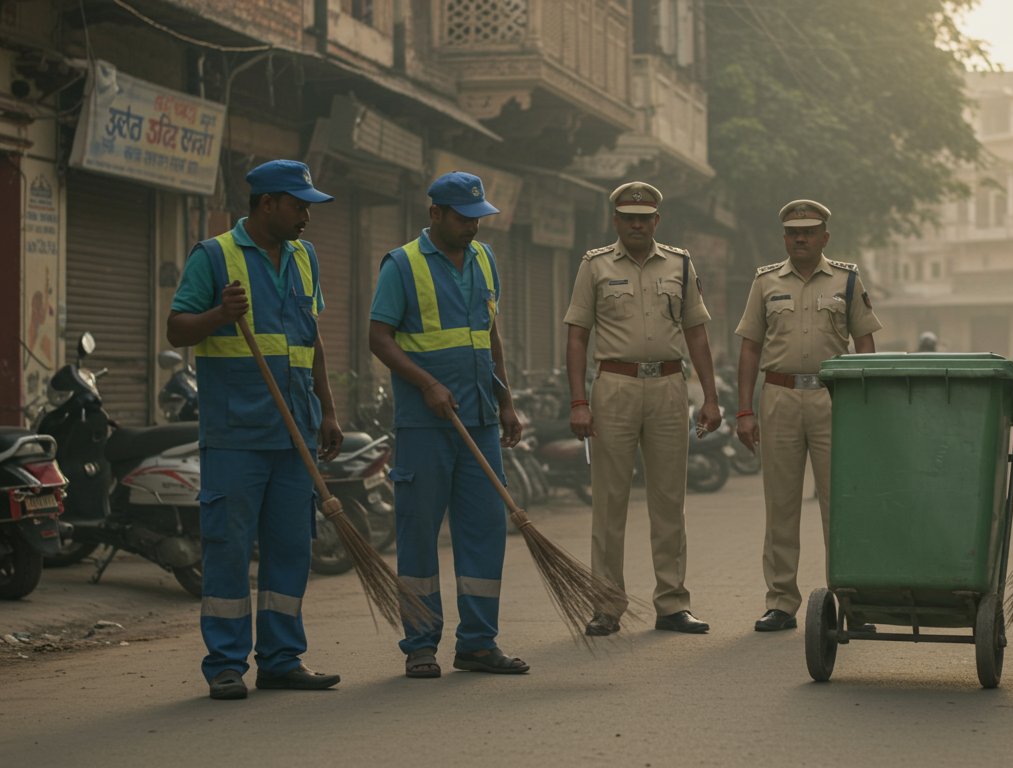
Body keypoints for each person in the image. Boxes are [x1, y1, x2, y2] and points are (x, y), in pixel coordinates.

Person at [167, 159, 343, 700]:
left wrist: (328, 409)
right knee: (228, 550)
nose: (306, 217)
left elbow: (310, 339)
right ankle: (225, 664)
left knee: (290, 550)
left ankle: (281, 660)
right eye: (298, 206)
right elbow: (177, 329)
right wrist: (219, 315)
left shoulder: (304, 257)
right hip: (236, 434)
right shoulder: (214, 255)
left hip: (295, 432)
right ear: (267, 204)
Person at [368, 172, 527, 678]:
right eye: (463, 218)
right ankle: (420, 644)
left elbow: (489, 333)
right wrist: (427, 384)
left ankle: (478, 643)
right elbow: (379, 337)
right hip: (424, 424)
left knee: (485, 532)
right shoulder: (402, 264)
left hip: (480, 419)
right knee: (418, 534)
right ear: (435, 213)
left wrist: (505, 400)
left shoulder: (484, 258)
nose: (472, 227)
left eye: (478, 218)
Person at [563, 182, 723, 636]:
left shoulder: (680, 264)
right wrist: (578, 401)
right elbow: (577, 335)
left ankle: (672, 604)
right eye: (628, 218)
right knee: (609, 502)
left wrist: (710, 397)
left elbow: (696, 333)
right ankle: (606, 605)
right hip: (614, 386)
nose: (637, 224)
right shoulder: (594, 266)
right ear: (615, 220)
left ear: (657, 221)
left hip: (669, 386)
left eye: (644, 218)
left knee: (670, 500)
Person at [735, 200, 882, 631]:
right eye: (793, 232)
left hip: (832, 398)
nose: (800, 238)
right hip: (779, 397)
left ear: (824, 237)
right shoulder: (765, 282)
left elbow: (864, 342)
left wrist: (864, 403)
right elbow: (750, 347)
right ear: (784, 238)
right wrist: (744, 410)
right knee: (780, 504)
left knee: (842, 505)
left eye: (809, 231)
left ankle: (853, 602)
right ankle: (781, 602)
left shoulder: (847, 280)